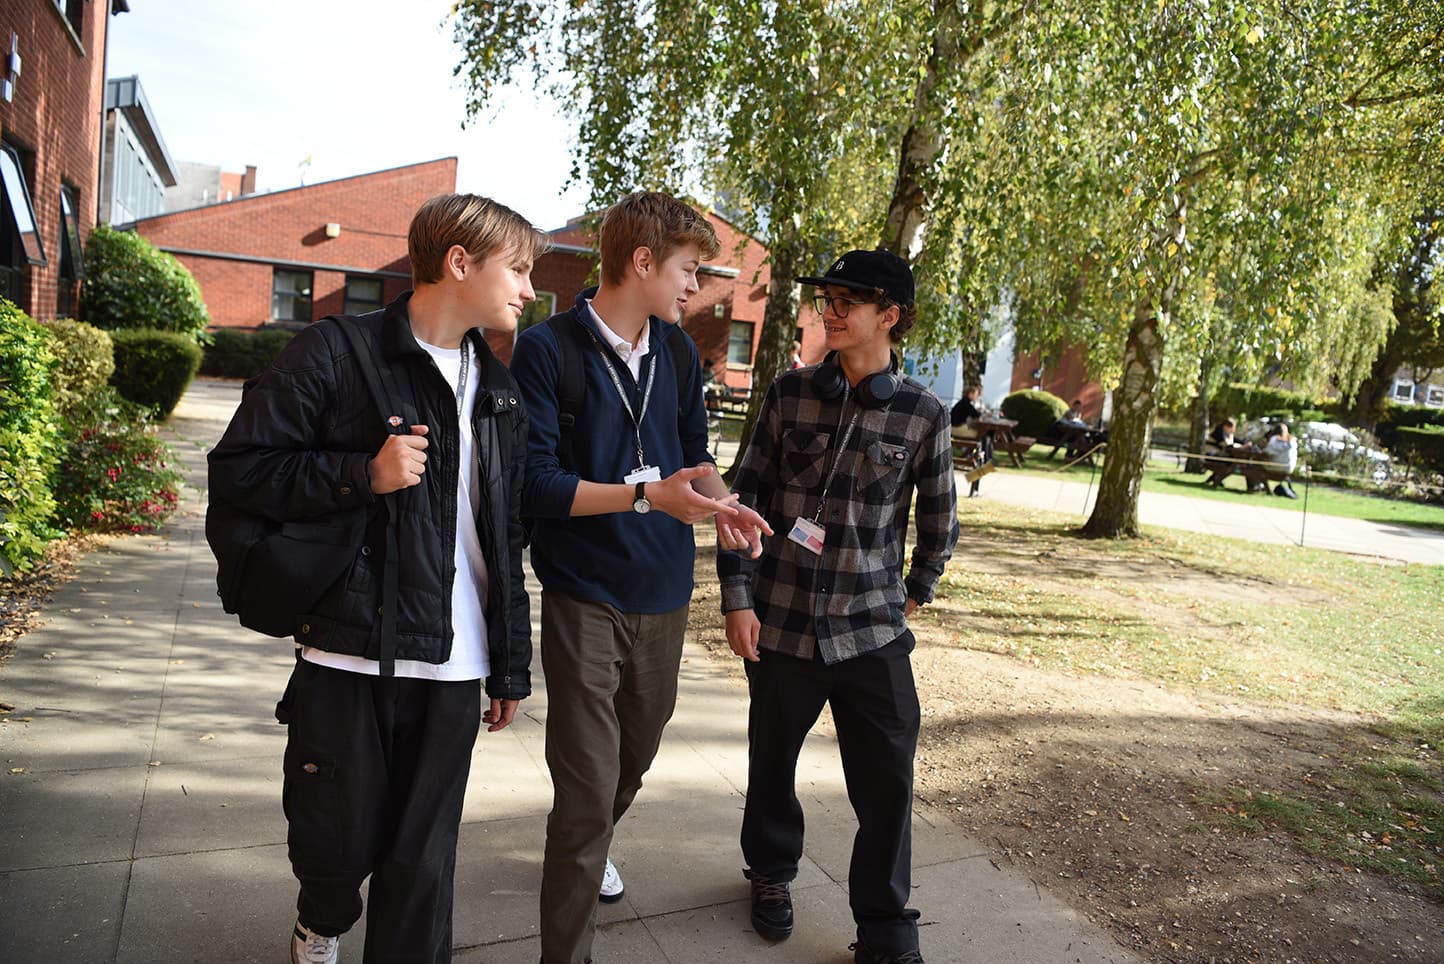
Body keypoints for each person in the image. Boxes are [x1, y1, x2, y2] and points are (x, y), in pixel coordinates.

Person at [209, 194, 544, 964]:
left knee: (422, 869)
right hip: (348, 653)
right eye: (519, 270)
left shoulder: (499, 390)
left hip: (455, 664)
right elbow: (241, 469)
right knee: (335, 844)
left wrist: (510, 665)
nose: (529, 290)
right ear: (459, 262)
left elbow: (504, 536)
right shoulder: (335, 352)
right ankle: (320, 919)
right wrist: (362, 474)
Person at [509, 191, 769, 964]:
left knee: (632, 760)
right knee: (586, 790)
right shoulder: (546, 350)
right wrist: (646, 496)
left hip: (663, 592)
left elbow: (694, 456)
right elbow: (535, 485)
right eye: (689, 269)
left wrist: (726, 506)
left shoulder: (679, 352)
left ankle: (588, 838)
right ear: (644, 261)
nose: (696, 286)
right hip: (582, 592)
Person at [715, 248, 960, 964]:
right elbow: (742, 501)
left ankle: (885, 931)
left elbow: (940, 519)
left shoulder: (923, 412)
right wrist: (737, 597)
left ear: (890, 315)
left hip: (872, 633)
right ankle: (770, 871)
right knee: (771, 764)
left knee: (887, 785)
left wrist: (915, 589)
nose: (832, 310)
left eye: (849, 301)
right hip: (782, 619)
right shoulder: (788, 395)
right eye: (828, 298)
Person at [949, 384, 994, 497]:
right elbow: (976, 414)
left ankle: (985, 461)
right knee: (982, 435)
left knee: (985, 435)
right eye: (976, 394)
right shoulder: (966, 403)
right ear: (971, 394)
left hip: (955, 427)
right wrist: (985, 414)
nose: (977, 396)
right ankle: (986, 462)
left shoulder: (964, 402)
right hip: (957, 429)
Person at [1245, 422, 1300, 498]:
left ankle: (1256, 487)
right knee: (1257, 464)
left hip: (1276, 468)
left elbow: (1266, 453)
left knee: (1252, 465)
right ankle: (1259, 486)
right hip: (1289, 469)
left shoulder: (1275, 440)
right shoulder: (1292, 441)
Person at [1203, 417, 1249, 487]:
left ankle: (1216, 478)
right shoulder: (1218, 433)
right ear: (1226, 427)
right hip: (1211, 456)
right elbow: (1228, 446)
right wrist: (1242, 447)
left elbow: (1238, 441)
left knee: (1232, 461)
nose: (1234, 430)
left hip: (1219, 456)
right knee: (1231, 462)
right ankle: (1217, 479)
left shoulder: (1228, 434)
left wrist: (1246, 443)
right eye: (1233, 428)